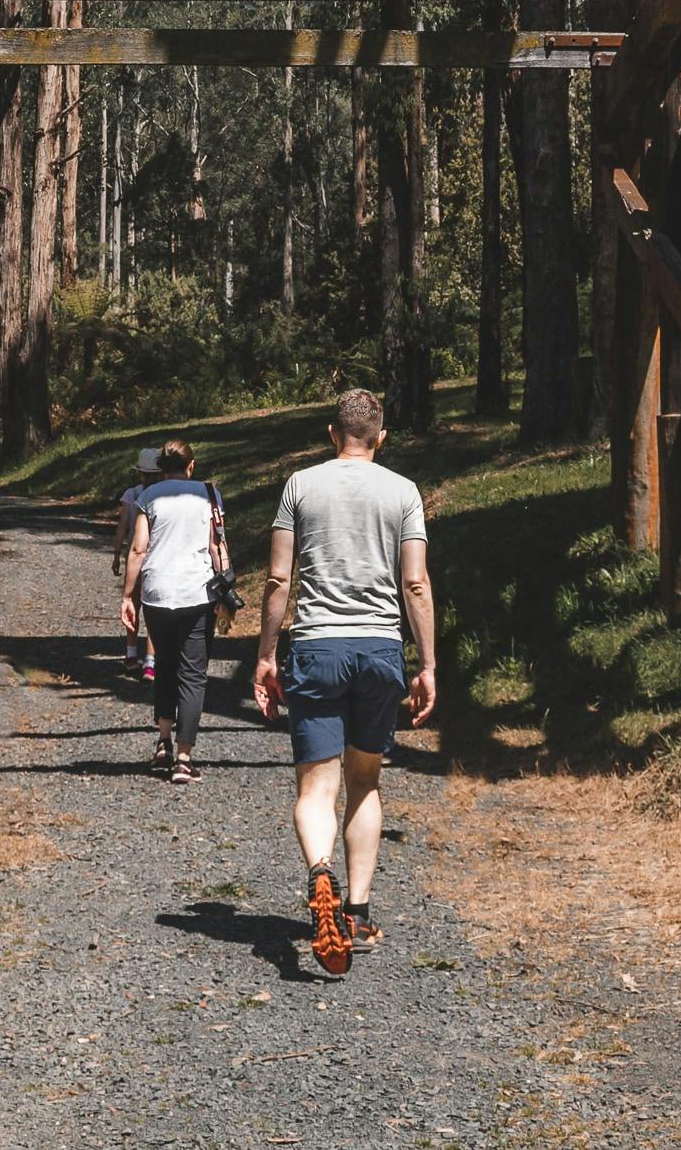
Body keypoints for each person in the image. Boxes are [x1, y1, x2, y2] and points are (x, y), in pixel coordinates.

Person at [248, 388, 434, 977]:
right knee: (366, 783)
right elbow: (416, 585)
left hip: (317, 647)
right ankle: (355, 913)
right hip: (379, 649)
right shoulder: (403, 491)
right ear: (380, 437)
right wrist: (427, 663)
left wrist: (265, 655)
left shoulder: (300, 485)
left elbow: (279, 578)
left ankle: (318, 872)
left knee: (315, 789)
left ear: (333, 434)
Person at [119, 440, 228, 782]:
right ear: (191, 465)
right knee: (193, 674)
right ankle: (184, 757)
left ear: (160, 468)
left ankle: (163, 741)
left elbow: (138, 549)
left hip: (157, 593)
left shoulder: (148, 497)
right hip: (198, 593)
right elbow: (217, 546)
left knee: (165, 666)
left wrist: (127, 595)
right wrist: (227, 591)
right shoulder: (208, 494)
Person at [115, 446, 164, 679]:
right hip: (158, 558)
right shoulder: (164, 495)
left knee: (133, 606)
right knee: (153, 611)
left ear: (140, 473)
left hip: (135, 558)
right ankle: (151, 663)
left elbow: (122, 526)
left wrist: (117, 553)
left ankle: (131, 654)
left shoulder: (132, 494)